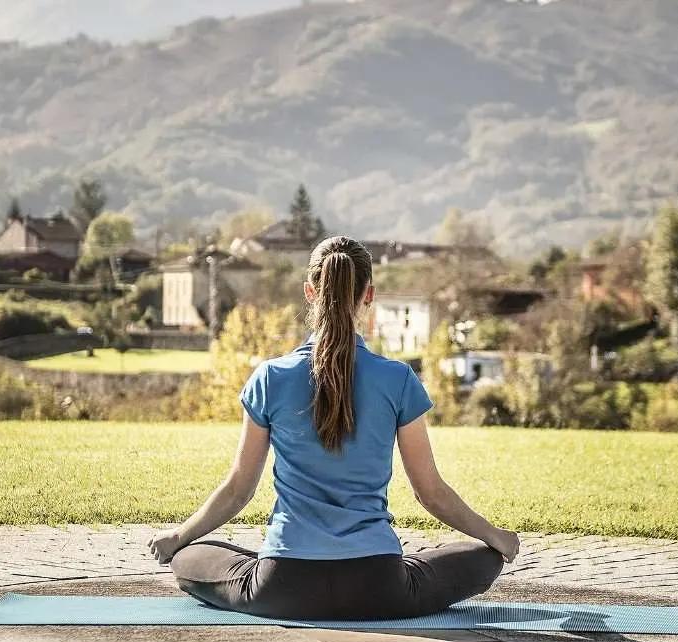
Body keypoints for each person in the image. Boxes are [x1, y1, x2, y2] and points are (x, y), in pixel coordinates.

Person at [148, 235, 520, 621]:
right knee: (485, 558)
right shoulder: (398, 379)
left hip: (283, 586)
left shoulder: (271, 377)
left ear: (310, 291)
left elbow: (239, 489)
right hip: (379, 586)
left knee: (190, 556)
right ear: (369, 295)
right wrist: (494, 536)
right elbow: (431, 494)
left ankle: (231, 555)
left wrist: (179, 537)